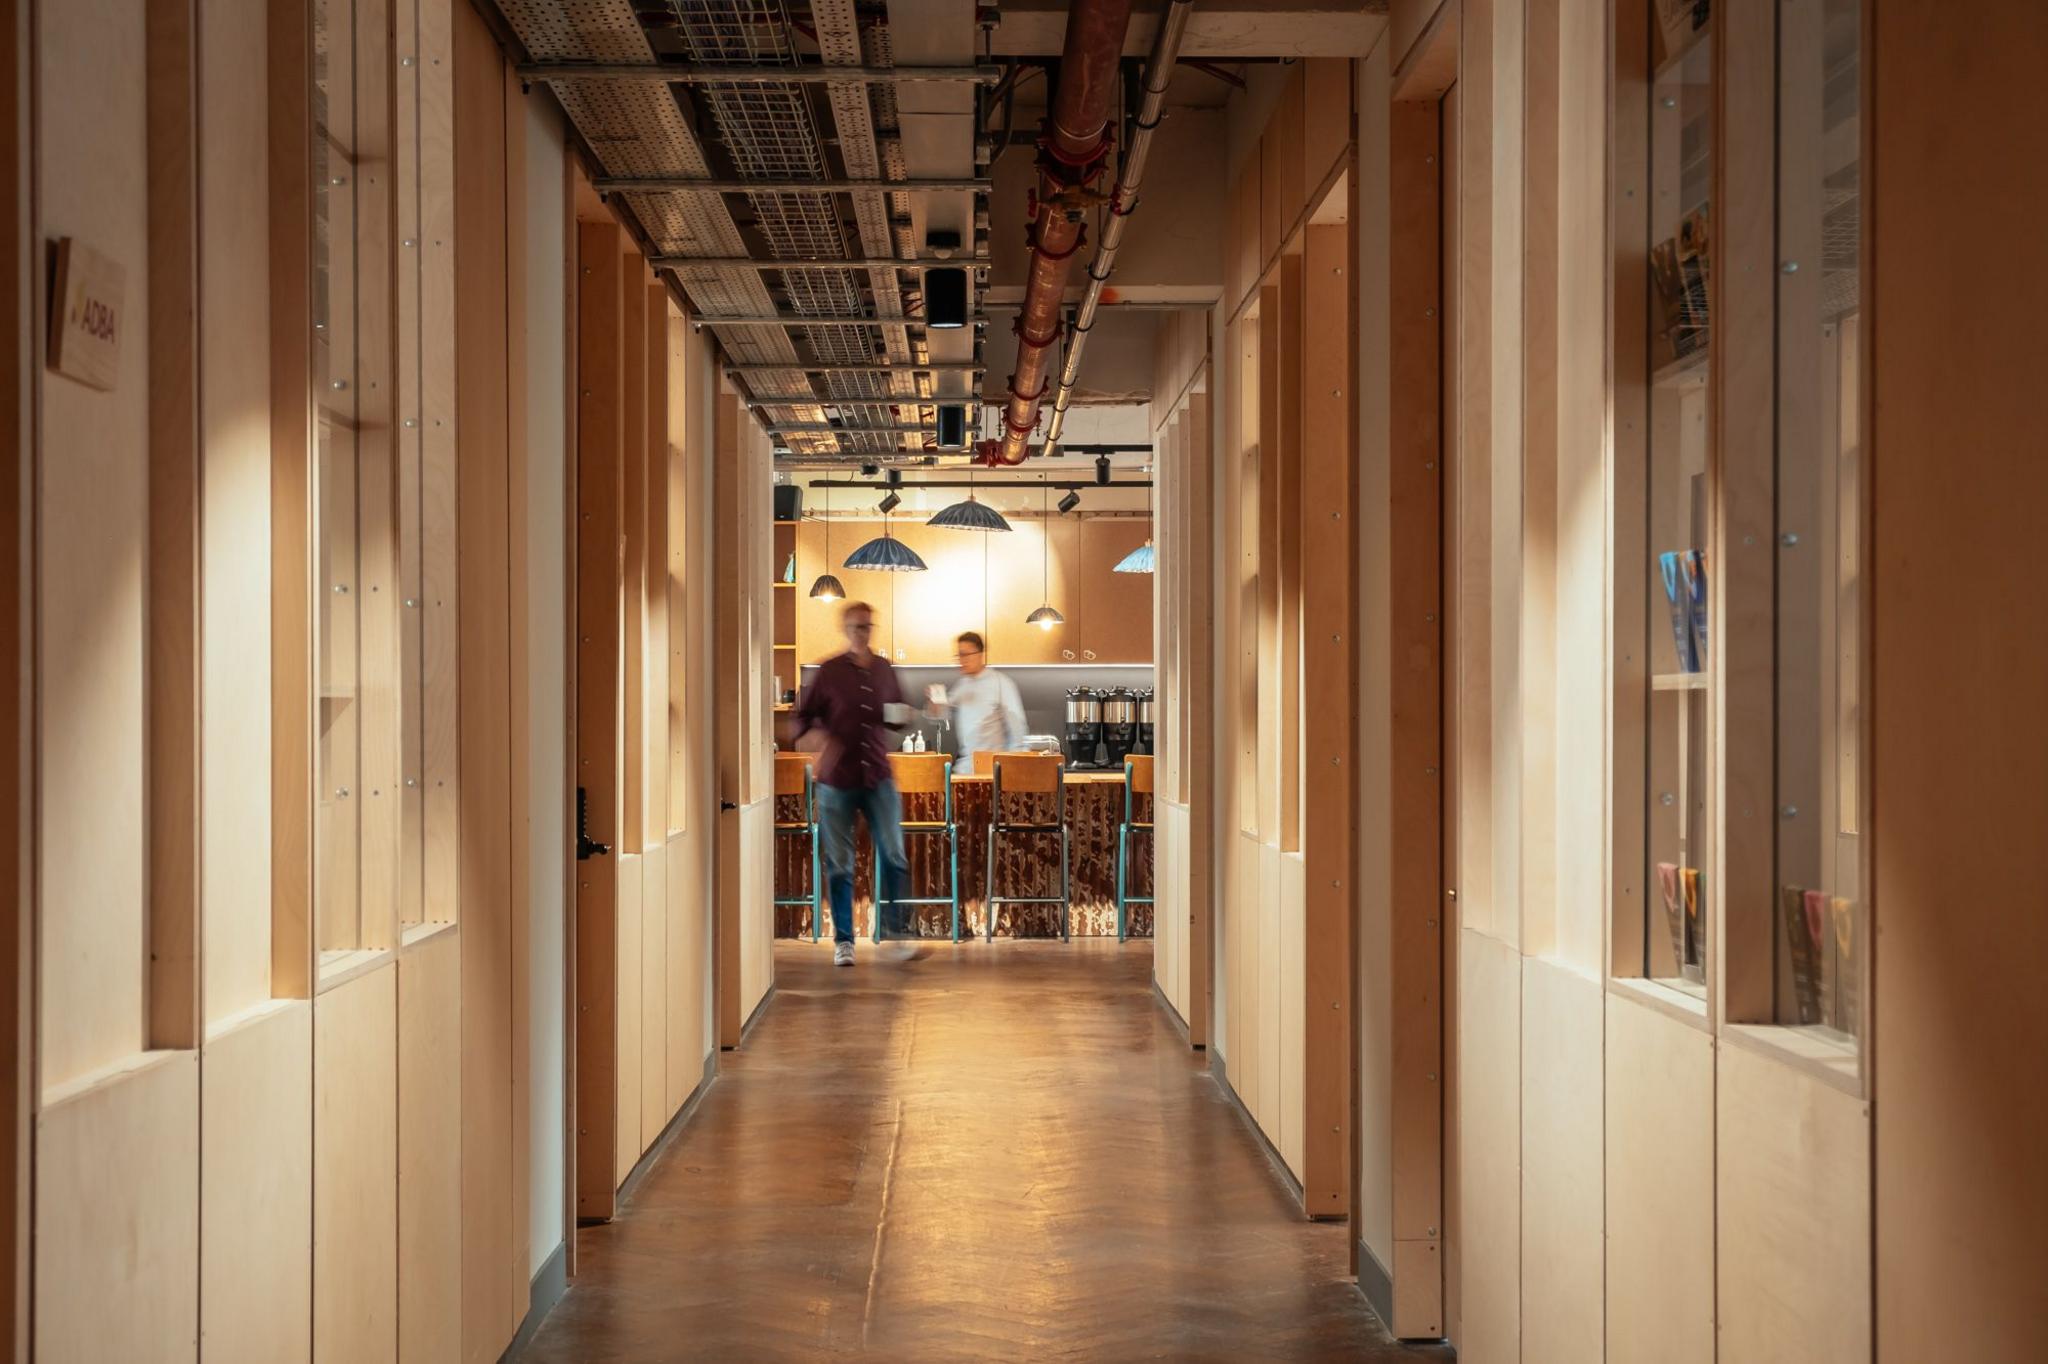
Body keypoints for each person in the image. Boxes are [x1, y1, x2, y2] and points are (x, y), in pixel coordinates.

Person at [792, 600, 912, 966]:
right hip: (837, 779)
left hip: (877, 774)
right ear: (846, 630)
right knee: (840, 862)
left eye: (868, 626)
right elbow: (801, 720)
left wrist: (911, 715)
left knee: (894, 853)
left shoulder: (884, 670)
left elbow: (896, 716)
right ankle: (844, 940)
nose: (863, 632)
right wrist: (815, 739)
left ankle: (897, 932)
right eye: (857, 626)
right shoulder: (829, 672)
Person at [925, 631, 1026, 776]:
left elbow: (1018, 730)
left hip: (993, 770)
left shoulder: (1001, 683)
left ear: (980, 654)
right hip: (966, 768)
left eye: (965, 655)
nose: (961, 660)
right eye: (959, 655)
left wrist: (1012, 770)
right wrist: (933, 704)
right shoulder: (962, 685)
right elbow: (941, 714)